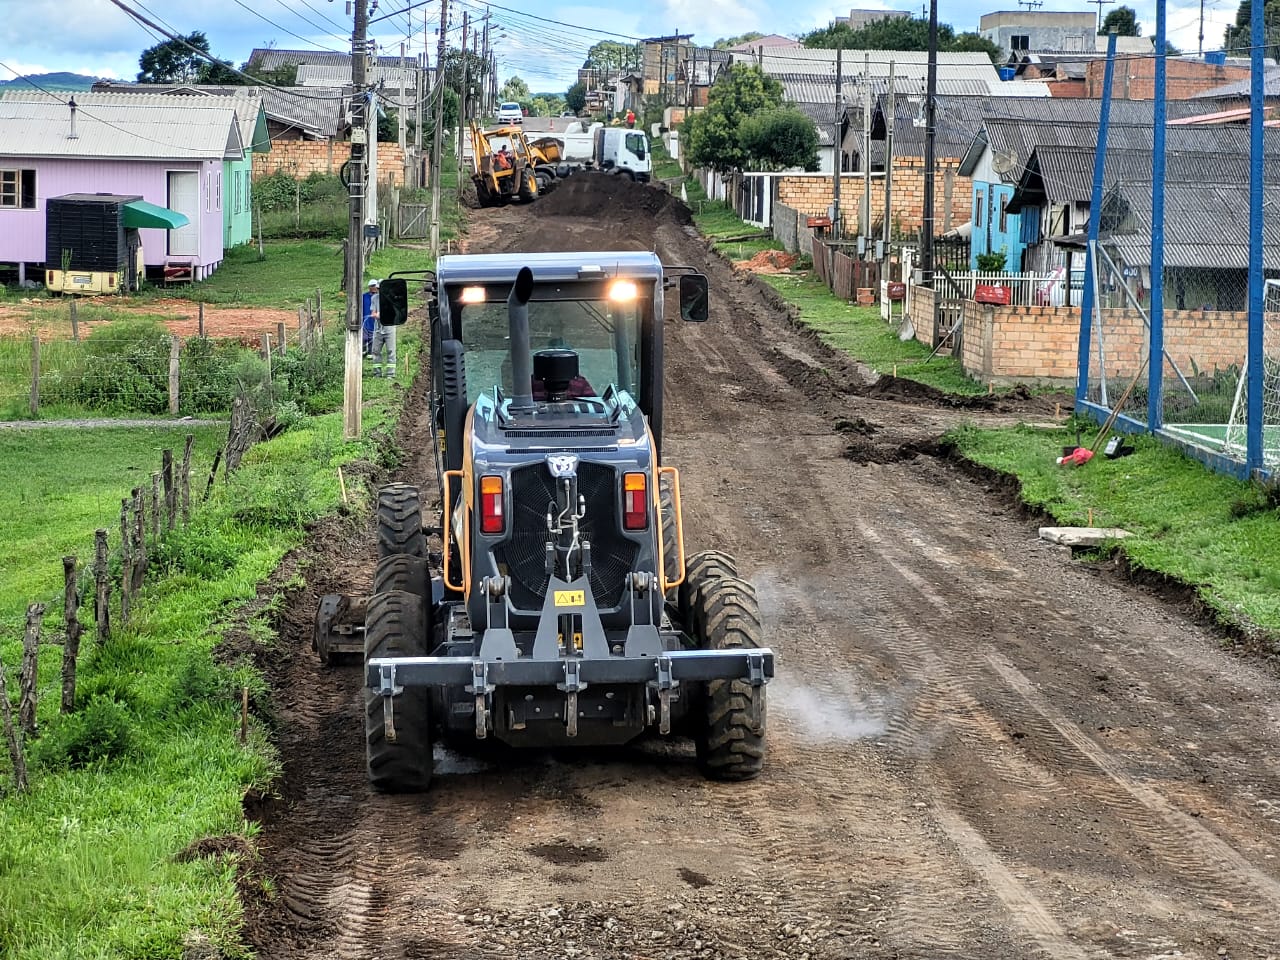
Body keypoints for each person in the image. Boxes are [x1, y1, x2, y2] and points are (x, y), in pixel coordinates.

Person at [367, 279, 397, 379]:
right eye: (378, 288)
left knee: (391, 351)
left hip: (389, 328)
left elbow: (394, 312)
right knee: (375, 351)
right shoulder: (374, 298)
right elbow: (373, 313)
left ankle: (390, 374)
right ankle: (377, 373)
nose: (380, 290)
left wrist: (384, 314)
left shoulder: (391, 298)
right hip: (378, 329)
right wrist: (377, 315)